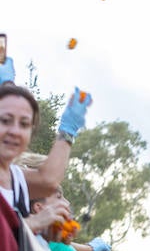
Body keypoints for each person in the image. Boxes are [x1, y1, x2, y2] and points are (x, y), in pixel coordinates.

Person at [0, 79, 89, 233]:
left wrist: (67, 131)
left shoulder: (15, 178)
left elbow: (48, 181)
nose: (15, 131)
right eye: (5, 120)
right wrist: (32, 224)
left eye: (24, 124)